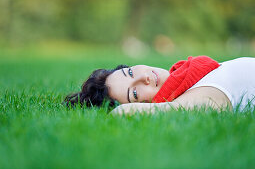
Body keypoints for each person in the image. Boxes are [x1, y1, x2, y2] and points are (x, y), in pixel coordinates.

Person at [64, 56, 255, 114]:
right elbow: (120, 113)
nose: (144, 78)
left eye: (130, 72)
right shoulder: (196, 97)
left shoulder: (189, 76)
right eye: (135, 92)